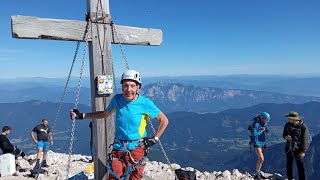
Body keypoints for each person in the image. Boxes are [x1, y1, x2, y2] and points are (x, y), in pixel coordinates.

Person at [70, 69, 169, 180]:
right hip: (119, 146)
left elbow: (164, 120)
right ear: (122, 87)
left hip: (137, 147)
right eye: (126, 85)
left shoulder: (145, 103)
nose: (129, 89)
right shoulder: (117, 99)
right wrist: (83, 115)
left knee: (135, 177)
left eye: (132, 86)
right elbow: (105, 113)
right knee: (114, 175)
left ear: (138, 87)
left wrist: (154, 139)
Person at [283, 111, 309, 180]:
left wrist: (303, 151)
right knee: (289, 164)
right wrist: (286, 137)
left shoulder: (303, 127)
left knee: (300, 165)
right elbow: (284, 134)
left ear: (294, 119)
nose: (288, 119)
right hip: (289, 147)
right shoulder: (287, 124)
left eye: (289, 118)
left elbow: (305, 140)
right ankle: (289, 178)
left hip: (299, 148)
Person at [251, 112, 270, 179]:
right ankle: (257, 173)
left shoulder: (264, 123)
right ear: (262, 118)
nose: (267, 121)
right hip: (257, 142)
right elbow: (254, 134)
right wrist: (261, 131)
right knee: (261, 158)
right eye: (266, 120)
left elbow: (267, 130)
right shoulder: (255, 124)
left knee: (261, 159)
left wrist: (265, 129)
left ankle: (258, 172)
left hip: (263, 142)